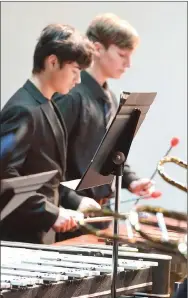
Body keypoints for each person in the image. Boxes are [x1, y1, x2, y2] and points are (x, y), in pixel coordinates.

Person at [53, 14, 155, 226]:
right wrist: (73, 199)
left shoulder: (109, 97)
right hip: (74, 216)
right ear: (97, 49)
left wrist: (132, 181)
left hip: (101, 212)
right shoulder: (70, 96)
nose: (128, 64)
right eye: (122, 55)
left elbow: (110, 152)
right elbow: (50, 162)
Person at [0, 23, 94, 244]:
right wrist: (50, 213)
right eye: (75, 71)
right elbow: (5, 179)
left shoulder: (48, 104)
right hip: (18, 239)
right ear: (52, 62)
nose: (78, 80)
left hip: (39, 238)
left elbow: (48, 174)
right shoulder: (22, 110)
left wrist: (75, 200)